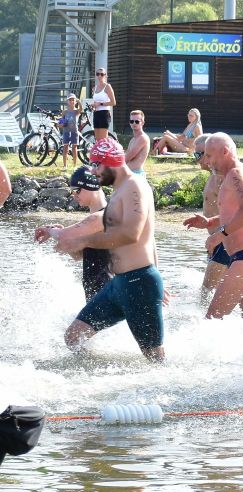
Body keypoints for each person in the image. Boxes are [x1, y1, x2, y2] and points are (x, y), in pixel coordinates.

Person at [56, 139, 165, 362]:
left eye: (96, 165)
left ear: (110, 162)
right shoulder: (118, 191)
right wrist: (75, 244)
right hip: (119, 285)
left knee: (155, 360)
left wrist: (83, 241)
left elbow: (131, 234)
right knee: (74, 337)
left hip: (139, 283)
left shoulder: (135, 186)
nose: (94, 172)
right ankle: (94, 379)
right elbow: (140, 238)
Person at [183, 133, 243, 322]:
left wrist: (220, 235)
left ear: (225, 152)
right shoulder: (237, 173)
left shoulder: (236, 174)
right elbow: (237, 211)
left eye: (209, 156)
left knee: (210, 323)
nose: (206, 161)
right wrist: (210, 222)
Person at [33, 166, 111, 302]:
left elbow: (63, 235)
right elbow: (79, 256)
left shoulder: (101, 217)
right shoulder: (95, 218)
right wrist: (67, 241)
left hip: (108, 293)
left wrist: (52, 230)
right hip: (96, 295)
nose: (74, 195)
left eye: (77, 190)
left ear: (91, 187)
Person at [191, 133, 230, 303]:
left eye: (202, 154)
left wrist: (219, 235)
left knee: (206, 293)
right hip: (217, 239)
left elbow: (237, 213)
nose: (199, 159)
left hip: (225, 240)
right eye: (197, 154)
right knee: (218, 292)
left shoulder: (223, 177)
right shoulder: (213, 176)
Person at [90, 67, 115, 142]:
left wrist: (100, 103)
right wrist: (93, 105)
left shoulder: (107, 86)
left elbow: (113, 102)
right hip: (96, 113)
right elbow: (96, 102)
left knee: (103, 140)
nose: (100, 76)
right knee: (97, 140)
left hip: (104, 113)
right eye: (98, 74)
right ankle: (99, 153)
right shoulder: (94, 88)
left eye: (102, 74)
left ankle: (106, 153)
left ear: (105, 75)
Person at [124, 110, 150, 174]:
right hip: (129, 173)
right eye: (132, 121)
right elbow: (126, 155)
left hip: (136, 174)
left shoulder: (142, 138)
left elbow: (128, 157)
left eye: (137, 121)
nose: (134, 123)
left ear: (142, 123)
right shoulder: (132, 140)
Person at [58, 95, 81, 168]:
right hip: (66, 131)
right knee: (65, 147)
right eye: (70, 100)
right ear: (67, 101)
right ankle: (65, 165)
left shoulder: (76, 111)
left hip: (74, 131)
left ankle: (74, 165)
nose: (71, 101)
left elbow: (81, 109)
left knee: (74, 148)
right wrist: (60, 124)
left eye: (73, 100)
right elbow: (61, 122)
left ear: (75, 101)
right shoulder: (65, 111)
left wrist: (79, 102)